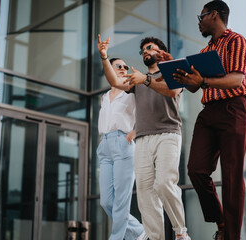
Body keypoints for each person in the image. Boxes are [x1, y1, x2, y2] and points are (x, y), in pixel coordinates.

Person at [172, 1, 246, 239]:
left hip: (233, 110)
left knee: (231, 176)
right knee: (196, 169)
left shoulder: (236, 41)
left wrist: (204, 82)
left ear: (214, 15)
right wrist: (180, 71)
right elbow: (195, 87)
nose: (198, 22)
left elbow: (237, 80)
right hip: (208, 113)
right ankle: (221, 222)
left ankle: (230, 236)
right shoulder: (205, 52)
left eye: (202, 16)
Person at [97, 34, 191, 240]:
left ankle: (180, 232)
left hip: (168, 134)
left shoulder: (172, 70)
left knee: (165, 183)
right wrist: (104, 57)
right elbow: (114, 81)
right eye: (143, 50)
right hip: (143, 140)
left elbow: (173, 91)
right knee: (145, 193)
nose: (145, 52)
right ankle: (155, 237)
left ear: (160, 50)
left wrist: (146, 80)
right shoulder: (137, 79)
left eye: (149, 47)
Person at [96, 54, 147, 240]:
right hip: (105, 146)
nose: (123, 69)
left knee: (121, 202)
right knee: (106, 201)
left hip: (122, 144)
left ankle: (116, 237)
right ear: (109, 69)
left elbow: (146, 112)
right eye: (119, 66)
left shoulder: (130, 92)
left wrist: (133, 133)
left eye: (125, 67)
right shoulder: (105, 97)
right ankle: (139, 231)